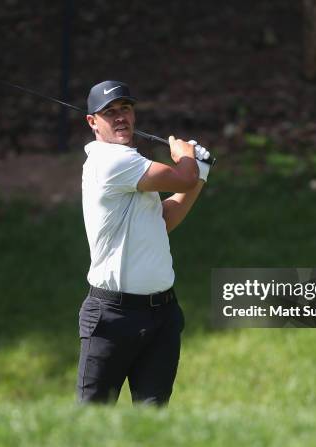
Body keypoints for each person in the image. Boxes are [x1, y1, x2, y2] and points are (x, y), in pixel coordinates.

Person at [77, 80, 211, 405]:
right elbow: (183, 177)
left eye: (125, 109)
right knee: (90, 426)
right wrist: (186, 157)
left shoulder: (131, 163)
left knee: (152, 427)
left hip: (162, 315)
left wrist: (200, 171)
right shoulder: (111, 162)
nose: (120, 117)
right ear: (93, 122)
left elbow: (163, 220)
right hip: (112, 315)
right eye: (109, 113)